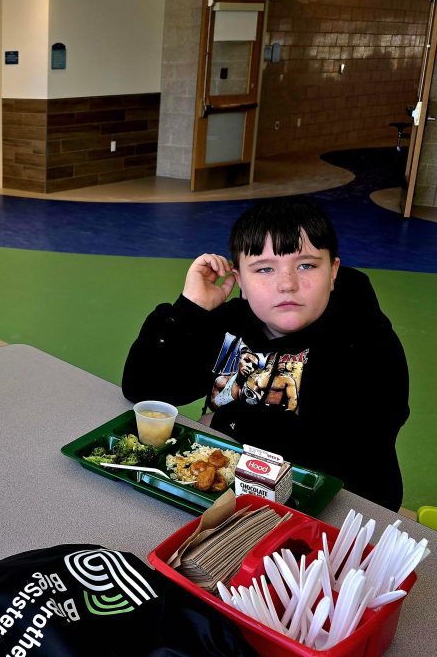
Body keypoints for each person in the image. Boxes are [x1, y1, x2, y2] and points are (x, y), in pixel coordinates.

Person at [122, 196, 408, 511]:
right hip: (231, 498)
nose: (287, 284)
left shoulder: (366, 340)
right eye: (264, 269)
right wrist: (190, 308)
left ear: (333, 272)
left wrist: (226, 422)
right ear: (240, 281)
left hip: (330, 513)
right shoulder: (230, 323)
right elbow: (144, 388)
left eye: (306, 265)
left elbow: (350, 451)